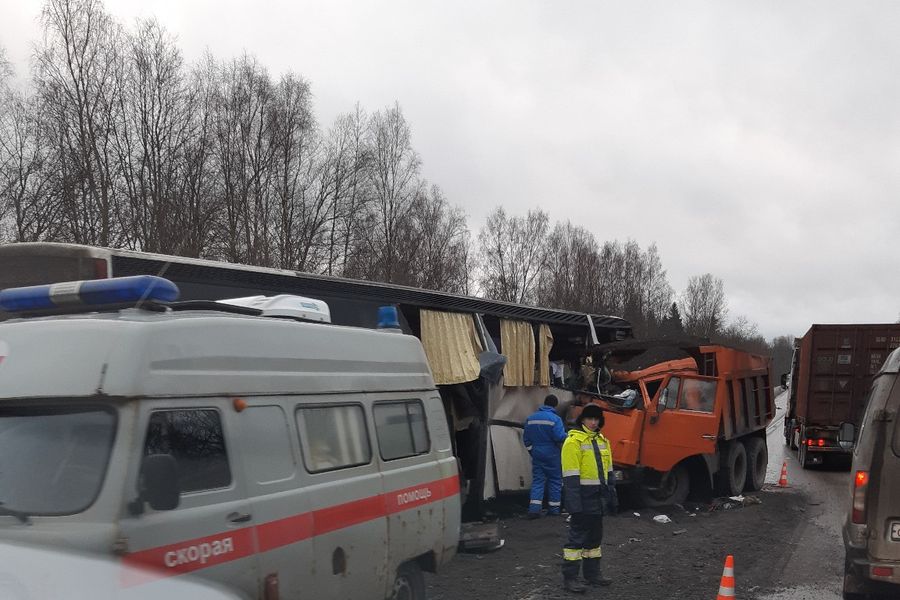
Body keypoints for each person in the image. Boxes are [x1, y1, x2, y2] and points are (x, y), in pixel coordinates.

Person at [560, 403, 617, 593]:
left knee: (594, 540)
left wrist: (612, 497)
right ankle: (571, 579)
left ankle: (593, 575)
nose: (593, 422)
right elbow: (570, 476)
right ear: (582, 419)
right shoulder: (573, 441)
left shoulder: (603, 441)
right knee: (576, 541)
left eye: (596, 419)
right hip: (583, 498)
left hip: (598, 498)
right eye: (589, 418)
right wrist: (573, 503)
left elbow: (609, 473)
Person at [522, 394, 567, 519]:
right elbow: (559, 437)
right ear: (555, 405)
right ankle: (554, 509)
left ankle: (534, 510)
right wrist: (568, 436)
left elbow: (526, 439)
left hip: (537, 453)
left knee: (538, 480)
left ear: (544, 403)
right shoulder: (556, 419)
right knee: (555, 480)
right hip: (552, 453)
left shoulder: (531, 418)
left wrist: (532, 451)